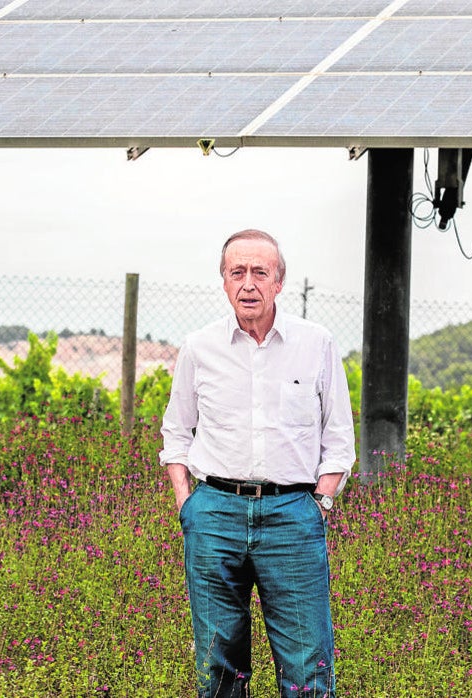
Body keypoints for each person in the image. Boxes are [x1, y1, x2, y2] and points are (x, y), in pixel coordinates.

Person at [160, 229, 356, 697]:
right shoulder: (199, 348)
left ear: (279, 282)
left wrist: (321, 503)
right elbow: (176, 431)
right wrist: (188, 502)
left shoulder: (317, 344)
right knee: (218, 663)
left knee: (308, 663)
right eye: (237, 273)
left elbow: (339, 438)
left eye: (259, 273)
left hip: (292, 516)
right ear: (224, 282)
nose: (248, 284)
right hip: (213, 515)